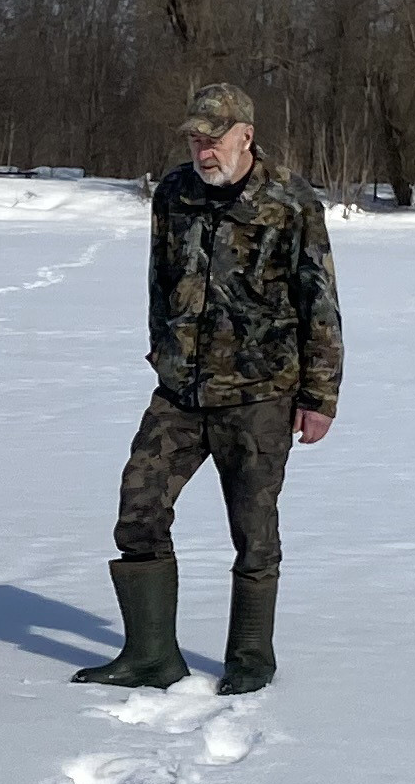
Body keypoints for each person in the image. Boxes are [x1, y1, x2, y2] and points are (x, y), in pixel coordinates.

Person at [73, 80, 340, 696]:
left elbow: (320, 301)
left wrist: (319, 396)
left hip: (262, 392)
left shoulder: (291, 202)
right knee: (138, 507)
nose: (204, 151)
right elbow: (159, 279)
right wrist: (161, 348)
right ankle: (150, 655)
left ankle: (250, 655)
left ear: (246, 134)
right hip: (181, 390)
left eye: (214, 139)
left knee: (253, 526)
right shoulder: (173, 193)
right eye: (195, 139)